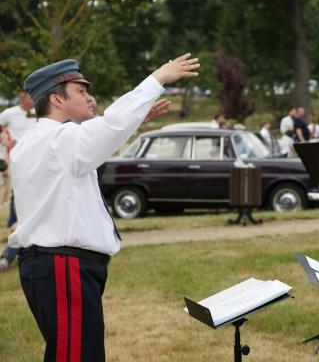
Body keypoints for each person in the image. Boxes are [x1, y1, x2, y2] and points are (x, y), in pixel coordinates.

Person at [8, 54, 198, 360]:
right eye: (80, 91)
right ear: (56, 99)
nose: (89, 96)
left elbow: (99, 138)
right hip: (64, 264)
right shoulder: (60, 139)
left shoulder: (40, 139)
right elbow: (108, 126)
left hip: (53, 264)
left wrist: (132, 121)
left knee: (72, 352)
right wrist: (158, 78)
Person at [0, 91, 35, 271]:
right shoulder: (10, 114)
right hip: (17, 163)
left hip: (36, 163)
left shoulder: (39, 113)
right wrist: (5, 142)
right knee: (22, 210)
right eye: (31, 97)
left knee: (23, 217)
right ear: (23, 99)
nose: (34, 100)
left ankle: (8, 254)